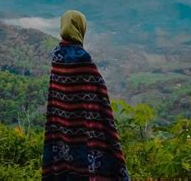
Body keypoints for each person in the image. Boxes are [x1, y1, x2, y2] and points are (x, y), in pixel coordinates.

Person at [42, 10, 129, 181]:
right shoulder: (83, 59)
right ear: (80, 28)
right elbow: (99, 96)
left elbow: (57, 99)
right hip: (84, 134)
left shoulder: (57, 55)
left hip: (62, 133)